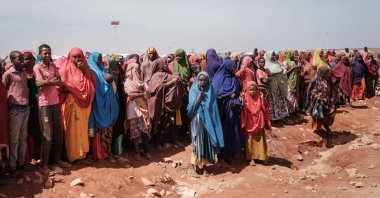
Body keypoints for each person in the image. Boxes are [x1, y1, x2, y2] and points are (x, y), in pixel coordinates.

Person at [34, 44, 71, 172]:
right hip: (44, 104)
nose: (48, 55)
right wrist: (52, 81)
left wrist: (47, 82)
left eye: (49, 53)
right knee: (47, 135)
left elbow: (60, 81)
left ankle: (56, 160)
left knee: (58, 132)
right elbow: (39, 84)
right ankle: (44, 164)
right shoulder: (37, 67)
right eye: (45, 53)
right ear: (40, 54)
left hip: (55, 103)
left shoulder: (53, 66)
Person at [59, 48, 96, 162]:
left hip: (84, 104)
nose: (77, 59)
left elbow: (92, 80)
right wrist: (71, 90)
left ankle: (82, 154)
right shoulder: (65, 70)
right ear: (70, 57)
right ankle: (73, 155)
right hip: (72, 103)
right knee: (73, 130)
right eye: (75, 57)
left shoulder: (85, 68)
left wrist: (84, 69)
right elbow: (59, 86)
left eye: (79, 56)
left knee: (82, 129)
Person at [187, 72, 224, 176]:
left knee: (207, 142)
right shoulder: (194, 90)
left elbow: (213, 110)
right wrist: (200, 92)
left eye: (205, 80)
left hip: (209, 122)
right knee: (198, 142)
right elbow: (193, 107)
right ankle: (194, 166)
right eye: (200, 80)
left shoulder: (211, 92)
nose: (202, 82)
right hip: (198, 120)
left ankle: (204, 166)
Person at [88, 52, 119, 161]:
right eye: (98, 59)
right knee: (97, 131)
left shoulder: (104, 70)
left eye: (101, 59)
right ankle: (97, 154)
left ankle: (107, 153)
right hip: (97, 105)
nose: (99, 61)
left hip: (107, 105)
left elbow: (111, 86)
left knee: (107, 130)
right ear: (93, 59)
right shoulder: (90, 72)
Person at [2, 51, 29, 177]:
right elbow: (4, 90)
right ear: (12, 60)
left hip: (25, 108)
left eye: (23, 58)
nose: (22, 61)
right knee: (14, 140)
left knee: (23, 138)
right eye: (19, 59)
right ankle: (12, 167)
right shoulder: (8, 74)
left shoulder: (23, 72)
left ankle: (21, 163)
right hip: (15, 110)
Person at [147, 58, 184, 150]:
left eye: (167, 64)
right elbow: (158, 88)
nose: (167, 66)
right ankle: (156, 143)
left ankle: (163, 141)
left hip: (166, 104)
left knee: (166, 124)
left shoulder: (167, 74)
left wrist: (176, 79)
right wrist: (172, 82)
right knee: (158, 124)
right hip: (159, 104)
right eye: (164, 64)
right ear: (159, 65)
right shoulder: (156, 76)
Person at [212, 59, 242, 165]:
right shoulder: (218, 78)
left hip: (233, 110)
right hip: (222, 112)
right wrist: (228, 95)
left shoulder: (234, 78)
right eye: (233, 67)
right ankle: (221, 156)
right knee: (223, 133)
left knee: (233, 132)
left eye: (235, 67)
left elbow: (238, 90)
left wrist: (236, 95)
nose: (235, 69)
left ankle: (230, 154)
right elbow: (216, 93)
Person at [124, 62, 152, 161]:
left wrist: (145, 93)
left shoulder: (142, 82)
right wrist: (142, 94)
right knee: (135, 132)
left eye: (138, 69)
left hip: (143, 109)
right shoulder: (128, 82)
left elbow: (148, 95)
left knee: (145, 130)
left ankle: (146, 151)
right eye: (136, 69)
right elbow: (130, 95)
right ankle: (137, 152)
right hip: (133, 110)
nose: (138, 71)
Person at [241, 81, 271, 166]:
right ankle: (251, 158)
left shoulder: (259, 98)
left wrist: (263, 99)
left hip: (259, 122)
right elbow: (243, 109)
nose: (252, 91)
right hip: (250, 123)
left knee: (260, 140)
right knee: (250, 140)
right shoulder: (245, 98)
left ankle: (261, 156)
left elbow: (265, 108)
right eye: (250, 90)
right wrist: (243, 100)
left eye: (254, 90)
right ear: (247, 90)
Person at [307, 66, 337, 147]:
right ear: (320, 72)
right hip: (318, 103)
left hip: (328, 103)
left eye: (327, 72)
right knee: (318, 116)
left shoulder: (329, 81)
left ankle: (326, 128)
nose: (327, 74)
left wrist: (333, 101)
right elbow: (309, 91)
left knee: (328, 116)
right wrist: (316, 98)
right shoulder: (315, 81)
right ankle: (316, 130)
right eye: (325, 72)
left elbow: (334, 91)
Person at [22, 50, 41, 166]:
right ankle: (26, 158)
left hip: (36, 105)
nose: (29, 61)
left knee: (36, 130)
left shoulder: (35, 73)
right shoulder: (21, 74)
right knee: (26, 132)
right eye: (27, 59)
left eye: (30, 58)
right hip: (24, 106)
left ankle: (35, 155)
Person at [263, 51, 289, 121]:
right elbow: (271, 72)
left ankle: (280, 117)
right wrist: (279, 70)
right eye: (272, 55)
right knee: (273, 102)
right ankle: (274, 119)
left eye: (274, 55)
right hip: (272, 85)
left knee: (280, 101)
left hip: (279, 85)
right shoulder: (266, 64)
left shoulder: (277, 62)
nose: (274, 57)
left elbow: (283, 70)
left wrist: (280, 70)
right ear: (268, 56)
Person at [108, 60, 126, 157]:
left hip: (120, 106)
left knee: (119, 127)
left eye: (118, 68)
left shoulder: (119, 76)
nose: (117, 70)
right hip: (112, 107)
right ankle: (114, 150)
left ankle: (118, 150)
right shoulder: (110, 77)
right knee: (114, 127)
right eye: (115, 69)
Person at [283, 50, 300, 114]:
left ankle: (293, 112)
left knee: (294, 97)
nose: (294, 56)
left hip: (294, 82)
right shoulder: (285, 62)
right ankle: (289, 113)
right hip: (288, 82)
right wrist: (293, 68)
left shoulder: (293, 61)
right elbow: (284, 73)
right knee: (289, 97)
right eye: (293, 54)